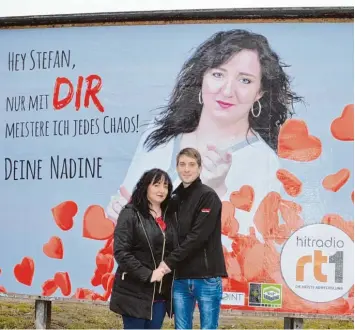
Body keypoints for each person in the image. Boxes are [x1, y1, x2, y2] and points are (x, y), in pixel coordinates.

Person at [107, 28, 303, 245]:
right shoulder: (159, 135)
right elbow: (126, 208)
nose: (228, 90)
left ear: (260, 92)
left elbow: (246, 255)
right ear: (201, 78)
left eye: (245, 80)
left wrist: (217, 191)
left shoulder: (261, 161)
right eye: (218, 74)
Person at [159, 147, 228, 329]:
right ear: (177, 167)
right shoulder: (173, 198)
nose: (186, 169)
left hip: (206, 277)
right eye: (182, 164)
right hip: (180, 278)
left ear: (199, 168)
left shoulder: (208, 197)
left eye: (191, 165)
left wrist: (167, 263)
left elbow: (197, 237)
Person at [109, 168, 178, 329]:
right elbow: (121, 252)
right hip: (135, 293)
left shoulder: (170, 216)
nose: (162, 190)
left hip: (160, 295)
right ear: (145, 186)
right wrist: (148, 275)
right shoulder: (130, 213)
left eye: (166, 186)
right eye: (156, 185)